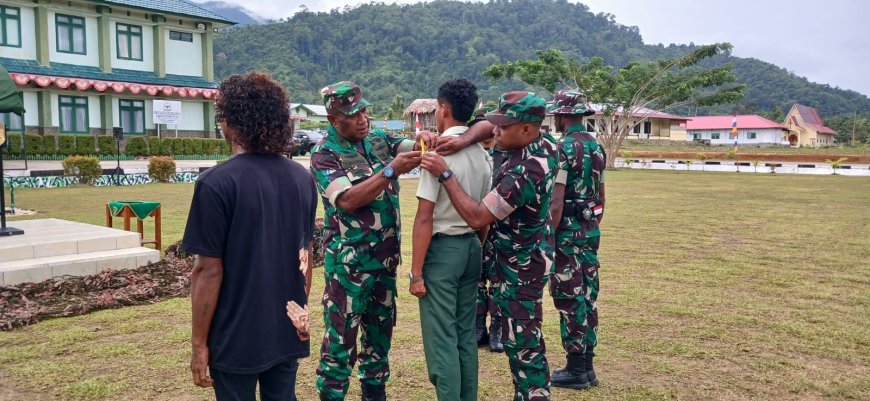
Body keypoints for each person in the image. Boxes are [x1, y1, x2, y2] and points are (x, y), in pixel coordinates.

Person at [184, 71, 316, 401]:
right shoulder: (302, 178)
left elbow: (207, 270)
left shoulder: (215, 183)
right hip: (288, 327)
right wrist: (298, 313)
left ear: (230, 120)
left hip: (235, 334)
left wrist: (199, 343)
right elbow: (307, 257)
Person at [420, 91, 559, 401]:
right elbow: (485, 126)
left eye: (503, 126)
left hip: (521, 268)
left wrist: (445, 173)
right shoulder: (541, 142)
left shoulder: (527, 171)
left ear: (525, 128)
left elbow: (476, 216)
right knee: (517, 340)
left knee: (523, 346)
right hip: (519, 259)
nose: (495, 132)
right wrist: (461, 139)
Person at [310, 81, 431, 401]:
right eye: (353, 114)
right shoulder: (325, 153)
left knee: (379, 339)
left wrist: (421, 138)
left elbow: (408, 144)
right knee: (340, 343)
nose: (363, 118)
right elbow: (347, 200)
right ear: (335, 120)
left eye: (364, 111)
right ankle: (332, 393)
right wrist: (390, 171)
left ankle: (374, 393)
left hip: (384, 262)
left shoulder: (378, 139)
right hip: (349, 269)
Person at [409, 78, 492, 401]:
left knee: (441, 339)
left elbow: (425, 217)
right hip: (472, 246)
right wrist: (477, 249)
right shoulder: (481, 154)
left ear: (443, 108)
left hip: (442, 252)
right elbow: (483, 214)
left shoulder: (439, 152)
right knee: (463, 337)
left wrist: (416, 274)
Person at [547, 90, 606, 390]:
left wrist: (550, 237)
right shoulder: (597, 149)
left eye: (556, 114)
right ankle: (588, 367)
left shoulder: (562, 149)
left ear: (562, 115)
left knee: (569, 297)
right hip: (589, 229)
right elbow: (601, 199)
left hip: (566, 234)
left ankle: (575, 368)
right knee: (587, 297)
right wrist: (590, 225)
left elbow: (555, 204)